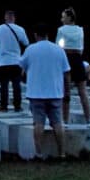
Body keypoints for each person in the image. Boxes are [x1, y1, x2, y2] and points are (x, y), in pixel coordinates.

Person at [19, 22, 71, 160]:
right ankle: (62, 153)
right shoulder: (59, 50)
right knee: (57, 123)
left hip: (36, 93)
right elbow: (66, 72)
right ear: (48, 34)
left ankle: (39, 152)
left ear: (36, 35)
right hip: (55, 92)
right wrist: (67, 91)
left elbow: (21, 66)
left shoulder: (30, 49)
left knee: (38, 123)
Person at [0, 10, 30, 112]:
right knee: (16, 85)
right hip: (16, 61)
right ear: (14, 18)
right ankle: (17, 106)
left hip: (3, 61)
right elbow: (26, 43)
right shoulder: (20, 29)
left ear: (5, 18)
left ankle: (3, 106)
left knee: (4, 85)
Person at [56, 7, 90, 126]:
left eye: (63, 16)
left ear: (69, 18)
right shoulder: (80, 30)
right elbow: (81, 48)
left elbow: (58, 46)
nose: (62, 19)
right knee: (82, 91)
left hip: (67, 58)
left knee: (66, 92)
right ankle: (88, 120)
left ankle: (65, 120)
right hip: (77, 58)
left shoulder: (61, 30)